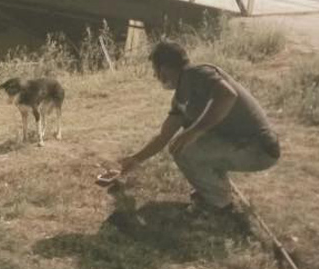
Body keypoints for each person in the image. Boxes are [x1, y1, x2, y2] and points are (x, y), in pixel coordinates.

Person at [117, 41, 281, 213]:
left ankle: (219, 204)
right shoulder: (181, 95)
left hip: (259, 148)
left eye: (154, 70)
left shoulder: (198, 74)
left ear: (163, 69)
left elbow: (227, 95)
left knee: (185, 148)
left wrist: (195, 131)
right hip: (244, 145)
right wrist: (135, 159)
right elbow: (163, 136)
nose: (154, 75)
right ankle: (215, 190)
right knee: (180, 144)